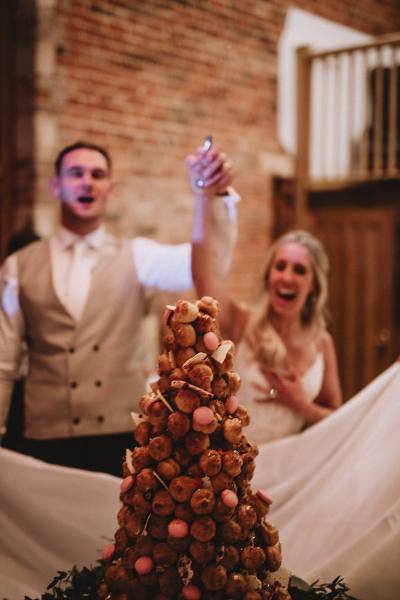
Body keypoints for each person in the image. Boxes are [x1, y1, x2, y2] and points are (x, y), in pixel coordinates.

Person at [0, 140, 237, 475]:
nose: (87, 182)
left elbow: (208, 265)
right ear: (55, 185)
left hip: (120, 436)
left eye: (97, 174)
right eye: (76, 173)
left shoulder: (137, 256)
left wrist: (213, 196)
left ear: (109, 188)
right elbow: (3, 363)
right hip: (43, 437)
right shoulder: (17, 267)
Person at [186, 150, 342, 444]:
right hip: (239, 469)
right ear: (269, 276)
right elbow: (203, 277)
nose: (286, 276)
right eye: (279, 266)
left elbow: (337, 416)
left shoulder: (322, 342)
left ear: (313, 287)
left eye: (299, 270)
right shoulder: (241, 323)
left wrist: (301, 406)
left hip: (295, 468)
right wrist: (202, 197)